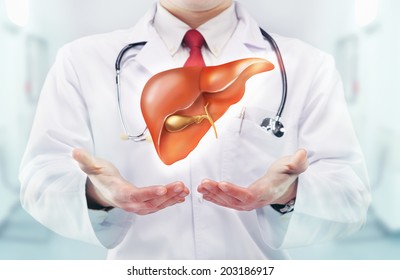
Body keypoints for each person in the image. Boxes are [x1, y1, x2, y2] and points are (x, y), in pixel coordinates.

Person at [19, 0, 371, 259]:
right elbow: (41, 177)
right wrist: (97, 194)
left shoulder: (306, 66)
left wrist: (288, 193)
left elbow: (350, 193)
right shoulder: (82, 61)